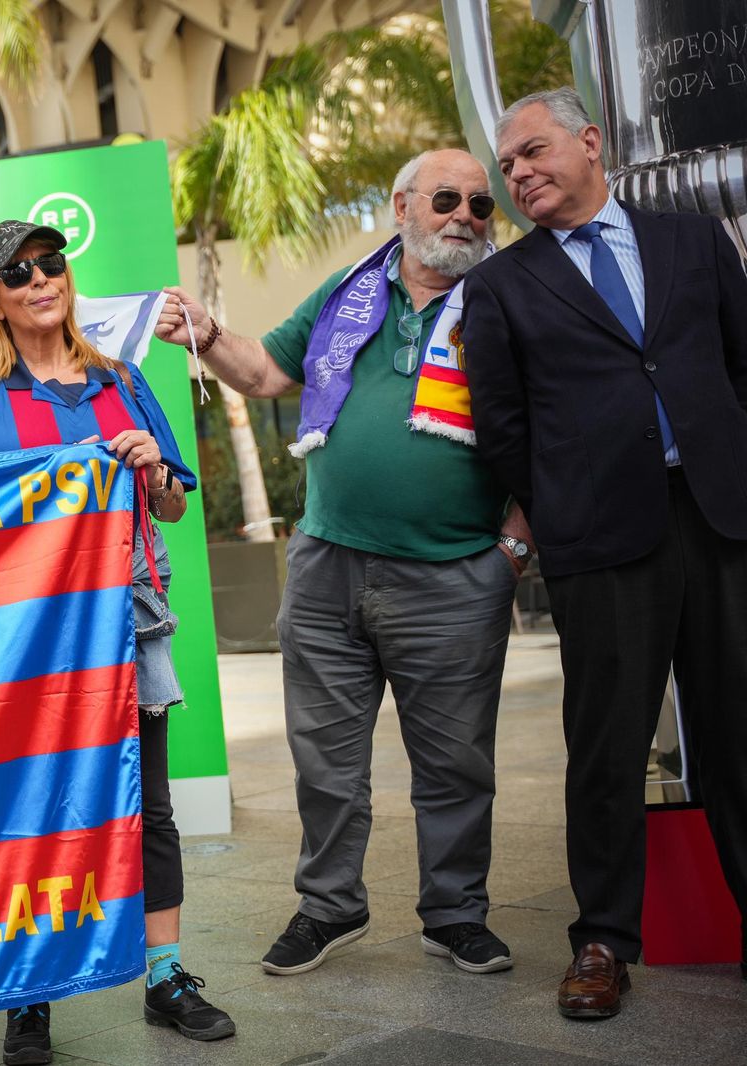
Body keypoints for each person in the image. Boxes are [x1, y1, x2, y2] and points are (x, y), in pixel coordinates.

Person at [158, 149, 527, 979]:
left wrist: (513, 549)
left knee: (457, 765)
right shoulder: (348, 291)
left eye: (480, 204)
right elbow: (265, 371)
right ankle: (330, 907)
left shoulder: (511, 297)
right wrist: (206, 331)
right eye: (446, 198)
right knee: (325, 762)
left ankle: (456, 915)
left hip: (456, 574)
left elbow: (561, 425)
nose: (466, 215)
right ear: (402, 204)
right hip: (328, 569)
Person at [462, 87, 747, 1018]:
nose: (519, 175)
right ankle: (602, 942)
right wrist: (564, 508)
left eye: (533, 153)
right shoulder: (500, 285)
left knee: (738, 728)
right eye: (508, 167)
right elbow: (504, 428)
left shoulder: (694, 241)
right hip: (600, 539)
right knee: (607, 748)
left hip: (720, 518)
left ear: (593, 143)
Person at [0, 220, 235, 1065]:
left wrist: (149, 468)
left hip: (126, 619)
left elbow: (173, 503)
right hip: (26, 637)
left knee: (153, 806)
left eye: (52, 263)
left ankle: (165, 974)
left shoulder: (123, 380)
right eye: (19, 270)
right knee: (31, 811)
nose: (42, 279)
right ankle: (30, 996)